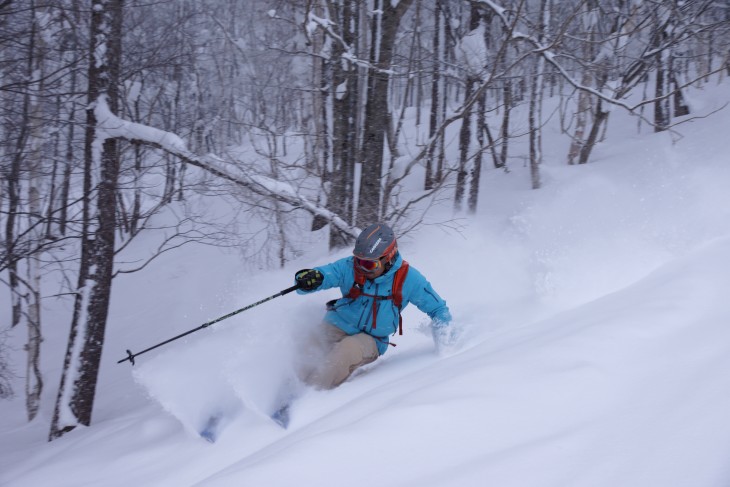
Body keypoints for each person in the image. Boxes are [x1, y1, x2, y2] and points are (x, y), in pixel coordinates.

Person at [294, 223, 452, 390]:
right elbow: (327, 274)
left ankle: (308, 398)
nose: (362, 267)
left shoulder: (408, 279)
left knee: (344, 352)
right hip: (338, 323)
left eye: (369, 265)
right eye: (359, 261)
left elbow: (438, 309)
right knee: (307, 346)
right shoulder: (350, 266)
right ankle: (289, 390)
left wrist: (446, 343)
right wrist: (310, 279)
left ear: (388, 258)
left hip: (372, 339)